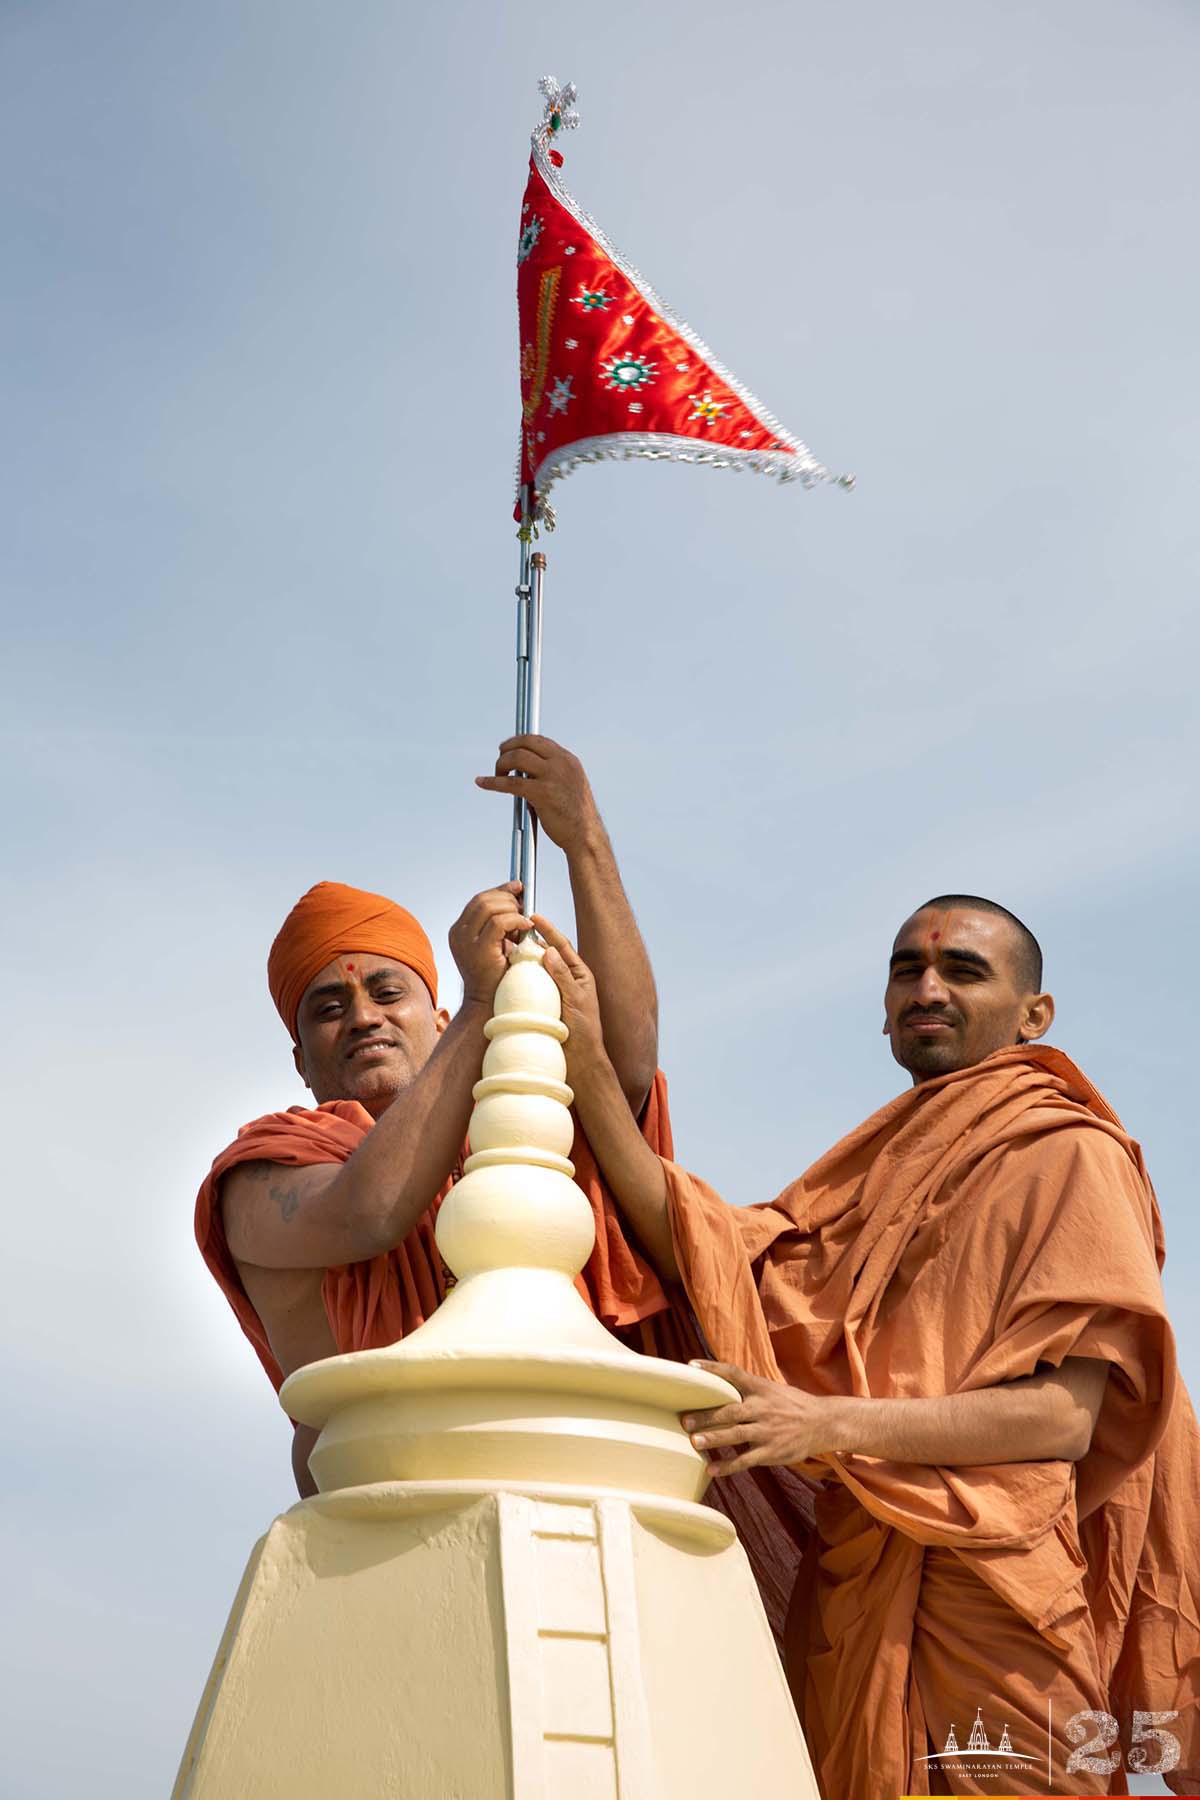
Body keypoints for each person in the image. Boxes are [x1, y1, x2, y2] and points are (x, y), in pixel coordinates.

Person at [536, 895, 1199, 1798]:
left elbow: (1065, 1417)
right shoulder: (876, 1170)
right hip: (857, 1585)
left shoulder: (1069, 1152)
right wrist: (586, 1065)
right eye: (907, 971)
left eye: (963, 971)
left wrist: (823, 1422)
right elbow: (710, 1256)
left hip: (997, 1601)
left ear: (1034, 1015)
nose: (928, 988)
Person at [195, 736, 675, 1498]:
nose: (363, 1018)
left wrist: (585, 841)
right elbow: (370, 1212)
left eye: (388, 993)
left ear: (437, 1015)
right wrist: (486, 1006)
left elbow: (624, 1070)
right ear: (300, 1059)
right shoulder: (260, 1175)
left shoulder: (509, 1133)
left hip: (570, 1485)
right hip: (386, 1518)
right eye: (329, 1008)